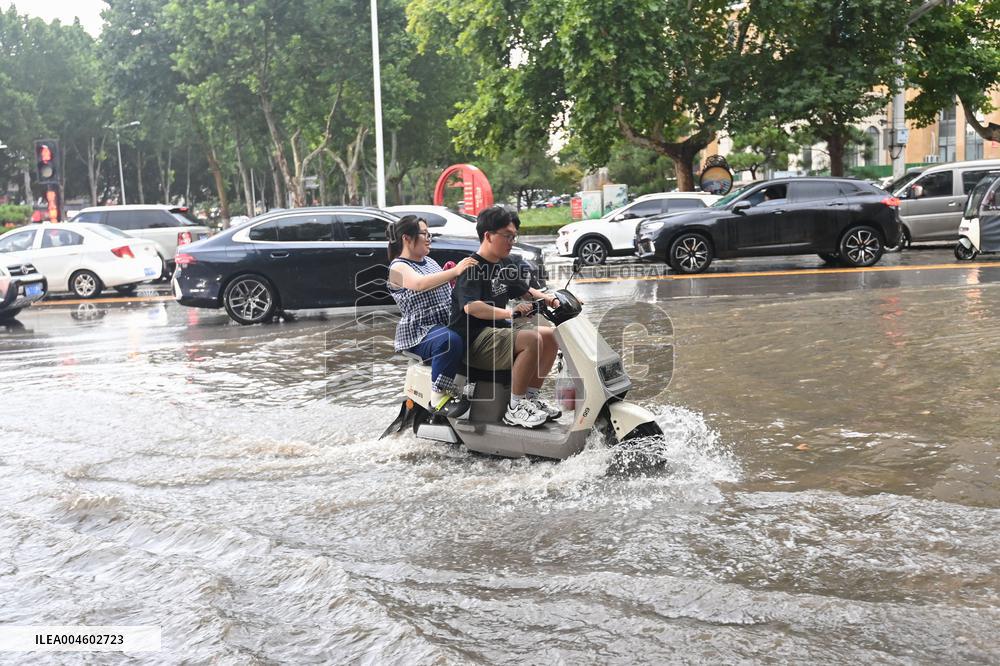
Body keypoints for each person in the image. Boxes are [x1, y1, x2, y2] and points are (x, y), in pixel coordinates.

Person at [448, 206, 561, 429]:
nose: (512, 241)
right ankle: (515, 409)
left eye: (514, 237)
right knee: (531, 339)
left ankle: (530, 399)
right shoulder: (472, 267)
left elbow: (524, 290)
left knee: (550, 336)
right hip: (474, 340)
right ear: (488, 236)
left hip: (497, 334)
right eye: (507, 236)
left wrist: (552, 300)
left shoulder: (503, 263)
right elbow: (472, 307)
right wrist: (510, 313)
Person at [387, 215, 478, 412]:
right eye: (424, 234)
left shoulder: (429, 262)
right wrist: (455, 271)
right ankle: (437, 396)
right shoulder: (397, 267)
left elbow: (443, 289)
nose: (429, 238)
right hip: (420, 331)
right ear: (407, 238)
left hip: (445, 322)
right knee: (449, 341)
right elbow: (419, 284)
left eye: (430, 234)